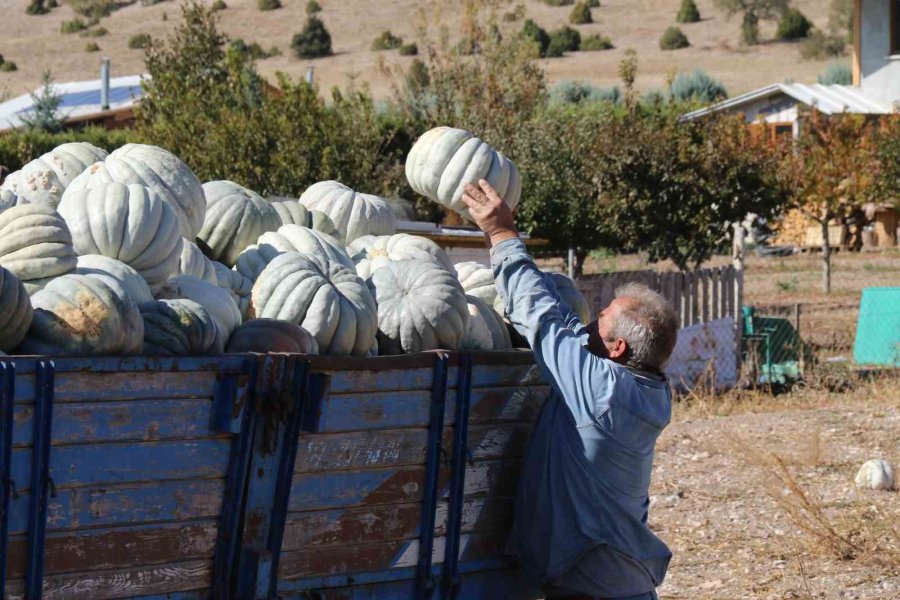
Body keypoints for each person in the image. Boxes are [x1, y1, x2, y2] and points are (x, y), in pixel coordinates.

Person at [461, 180, 680, 600]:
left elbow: (542, 321)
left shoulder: (602, 391)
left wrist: (501, 233)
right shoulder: (651, 390)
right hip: (621, 582)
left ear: (617, 348)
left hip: (594, 589)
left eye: (603, 318)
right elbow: (566, 331)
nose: (593, 319)